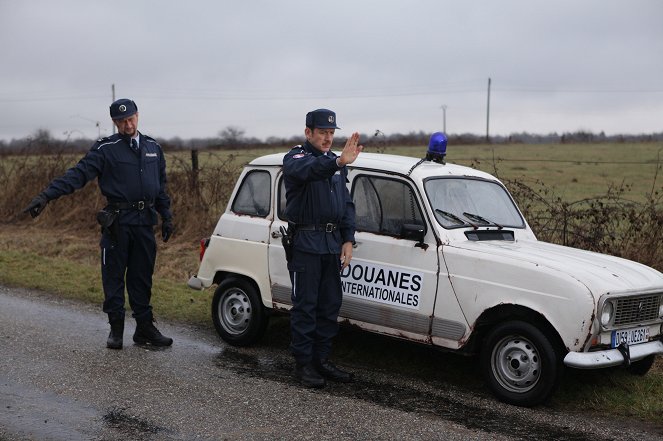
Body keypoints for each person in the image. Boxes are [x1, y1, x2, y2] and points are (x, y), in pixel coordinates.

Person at [23, 98, 174, 350]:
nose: (128, 124)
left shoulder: (153, 148)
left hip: (145, 223)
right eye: (122, 121)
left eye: (132, 118)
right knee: (113, 278)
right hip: (118, 224)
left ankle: (144, 329)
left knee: (141, 278)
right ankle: (116, 329)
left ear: (138, 115)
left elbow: (160, 186)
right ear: (115, 122)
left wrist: (166, 215)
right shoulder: (106, 149)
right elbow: (78, 174)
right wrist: (46, 196)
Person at [282, 108, 363, 388]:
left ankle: (321, 360)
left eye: (331, 133)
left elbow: (346, 204)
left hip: (331, 244)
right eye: (322, 133)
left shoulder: (335, 163)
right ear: (308, 133)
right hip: (306, 244)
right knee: (306, 307)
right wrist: (338, 162)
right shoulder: (297, 158)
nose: (328, 138)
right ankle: (303, 364)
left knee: (329, 306)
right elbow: (310, 171)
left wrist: (348, 239)